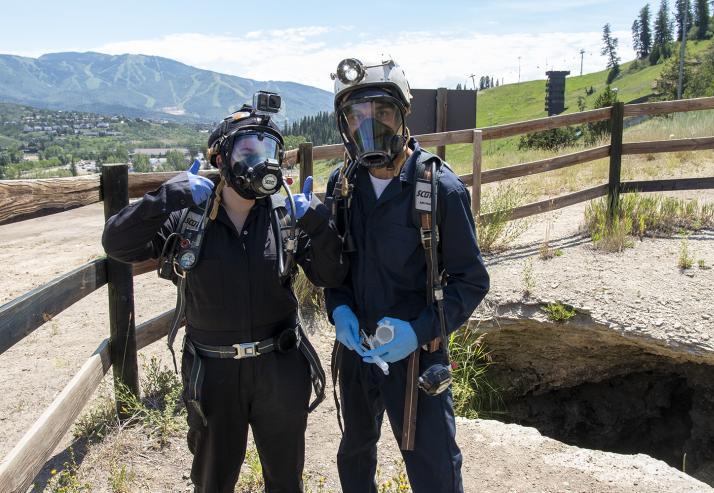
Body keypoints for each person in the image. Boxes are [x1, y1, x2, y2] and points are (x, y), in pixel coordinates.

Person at [102, 102, 346, 493]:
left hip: (280, 368)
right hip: (212, 374)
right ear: (220, 158)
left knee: (286, 480)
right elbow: (117, 242)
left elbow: (331, 274)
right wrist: (165, 197)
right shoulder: (188, 217)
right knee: (212, 481)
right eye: (247, 150)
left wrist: (319, 224)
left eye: (268, 151)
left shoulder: (285, 217)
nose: (260, 161)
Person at [324, 58, 490, 492]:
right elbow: (337, 268)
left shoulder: (439, 189)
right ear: (344, 123)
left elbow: (472, 281)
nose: (369, 125)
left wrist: (417, 333)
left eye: (382, 113)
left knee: (434, 466)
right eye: (357, 116)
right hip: (358, 351)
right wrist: (337, 307)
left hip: (418, 356)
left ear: (402, 116)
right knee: (355, 455)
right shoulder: (342, 188)